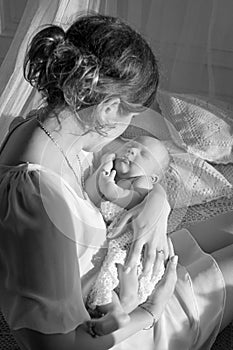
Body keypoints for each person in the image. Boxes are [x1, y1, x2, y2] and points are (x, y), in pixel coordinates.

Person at [0, 13, 232, 350]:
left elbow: (127, 184)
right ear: (108, 108)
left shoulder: (45, 132)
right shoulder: (36, 196)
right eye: (132, 118)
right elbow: (60, 346)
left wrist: (157, 205)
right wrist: (150, 311)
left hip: (125, 265)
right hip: (124, 322)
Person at [85, 136, 170, 324]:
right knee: (104, 282)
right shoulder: (113, 173)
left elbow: (131, 200)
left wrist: (111, 189)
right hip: (114, 239)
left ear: (153, 176)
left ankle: (129, 299)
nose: (132, 151)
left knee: (121, 269)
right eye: (130, 145)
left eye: (143, 154)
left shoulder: (143, 182)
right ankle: (115, 313)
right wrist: (106, 164)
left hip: (130, 240)